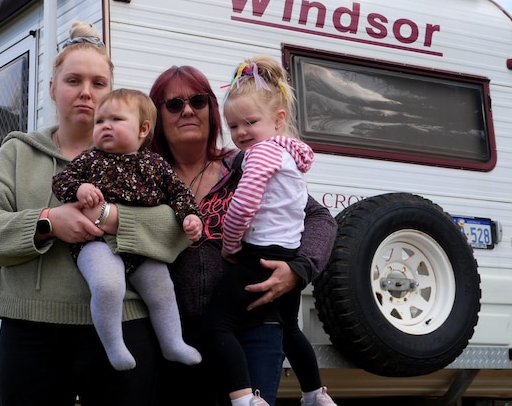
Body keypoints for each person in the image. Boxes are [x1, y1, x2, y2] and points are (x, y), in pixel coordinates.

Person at [0, 21, 190, 406]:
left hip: (127, 323)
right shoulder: (18, 152)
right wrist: (49, 222)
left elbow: (178, 232)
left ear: (111, 92)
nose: (86, 92)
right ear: (52, 88)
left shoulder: (143, 160)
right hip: (31, 333)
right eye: (73, 80)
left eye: (98, 83)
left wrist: (109, 218)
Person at [148, 65, 338, 406]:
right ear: (157, 115)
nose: (188, 109)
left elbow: (320, 218)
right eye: (174, 104)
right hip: (171, 333)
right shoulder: (146, 175)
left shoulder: (246, 163)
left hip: (254, 326)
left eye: (198, 100)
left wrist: (299, 269)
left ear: (212, 110)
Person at [202, 56, 336, 406]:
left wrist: (230, 244)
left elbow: (244, 206)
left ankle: (246, 398)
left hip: (259, 255)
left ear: (278, 120)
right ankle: (314, 394)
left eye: (250, 122)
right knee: (291, 329)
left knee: (217, 326)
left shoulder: (260, 155)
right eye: (233, 126)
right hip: (286, 254)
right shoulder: (287, 154)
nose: (241, 132)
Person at [51, 88, 203, 371]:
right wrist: (80, 187)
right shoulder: (90, 159)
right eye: (99, 121)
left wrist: (190, 217)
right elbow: (61, 182)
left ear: (143, 129)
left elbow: (179, 194)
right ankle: (114, 345)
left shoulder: (155, 164)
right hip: (95, 242)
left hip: (142, 245)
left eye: (116, 119)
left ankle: (172, 342)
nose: (105, 126)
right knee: (108, 285)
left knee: (162, 288)